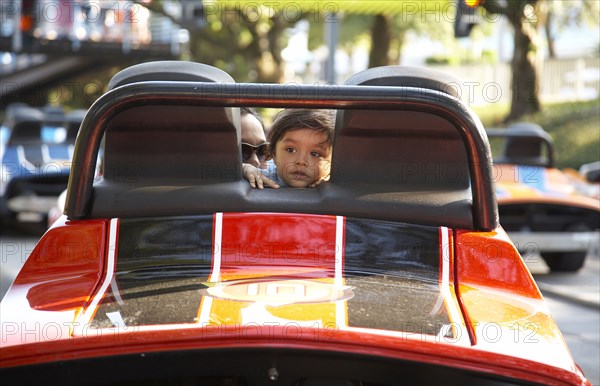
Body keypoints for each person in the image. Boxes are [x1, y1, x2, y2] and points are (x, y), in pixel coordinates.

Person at [242, 108, 335, 189]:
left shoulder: (331, 186)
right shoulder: (264, 178)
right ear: (273, 153)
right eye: (291, 150)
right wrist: (244, 169)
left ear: (331, 160)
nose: (301, 161)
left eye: (315, 154)